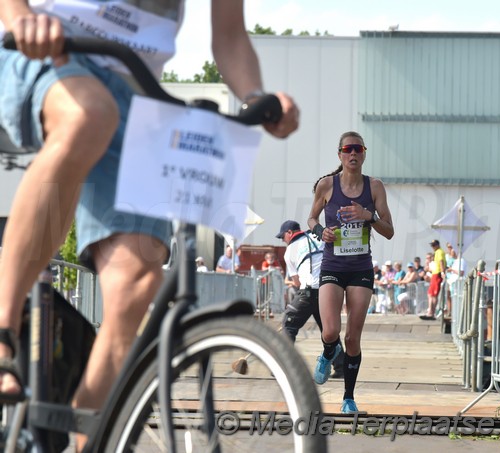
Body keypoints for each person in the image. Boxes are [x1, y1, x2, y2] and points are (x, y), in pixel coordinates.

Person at [0, 1, 299, 449]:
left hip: (137, 92)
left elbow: (230, 34)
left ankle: (81, 441)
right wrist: (20, 17)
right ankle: (2, 334)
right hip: (48, 51)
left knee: (135, 287)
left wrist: (256, 96)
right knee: (88, 116)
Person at [307, 130, 394, 413]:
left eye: (358, 149)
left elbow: (390, 231)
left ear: (364, 153)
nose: (353, 153)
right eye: (348, 149)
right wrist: (322, 232)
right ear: (340, 154)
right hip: (333, 265)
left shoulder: (375, 187)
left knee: (353, 338)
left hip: (360, 269)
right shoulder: (326, 185)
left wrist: (368, 216)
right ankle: (327, 352)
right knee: (331, 330)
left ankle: (348, 398)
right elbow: (311, 218)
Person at [276, 219, 343, 378]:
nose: (282, 240)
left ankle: (284, 367)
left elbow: (297, 282)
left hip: (308, 292)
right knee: (329, 331)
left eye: (282, 237)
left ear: (290, 233)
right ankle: (341, 367)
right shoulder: (317, 236)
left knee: (288, 323)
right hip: (328, 290)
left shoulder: (290, 250)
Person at [420, 239, 446, 320]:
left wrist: (442, 272)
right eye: (432, 245)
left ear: (437, 245)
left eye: (434, 245)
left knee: (434, 294)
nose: (433, 247)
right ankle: (430, 312)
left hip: (437, 274)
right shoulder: (437, 252)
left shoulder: (439, 251)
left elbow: (441, 262)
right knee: (430, 294)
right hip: (435, 274)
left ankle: (432, 313)